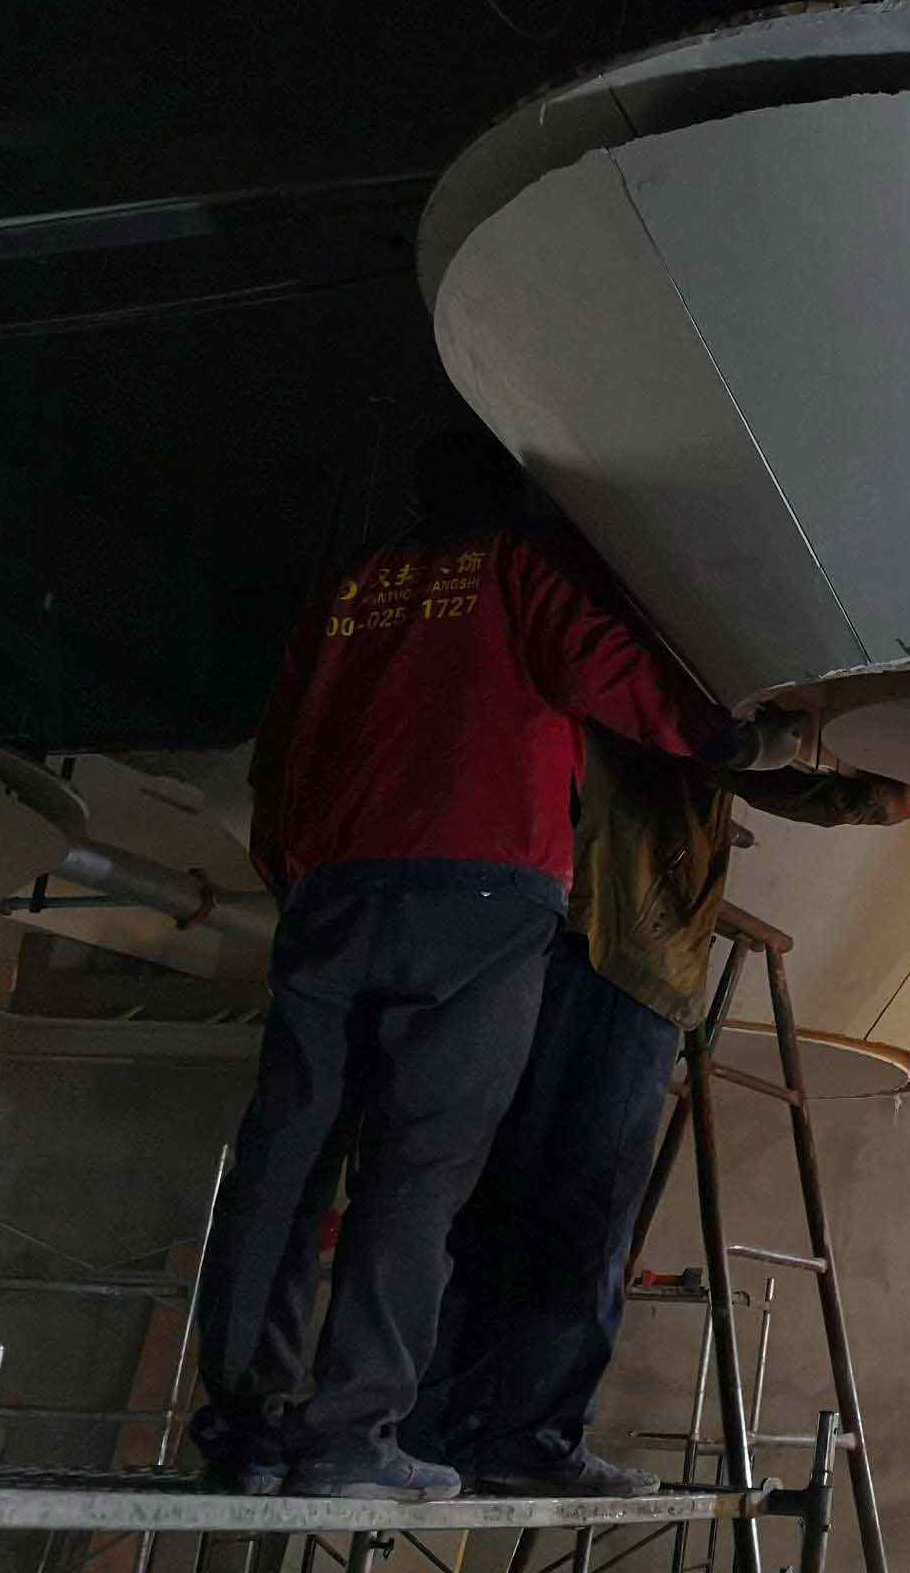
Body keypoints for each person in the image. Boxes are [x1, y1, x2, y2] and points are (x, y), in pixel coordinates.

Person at [192, 429, 804, 1502]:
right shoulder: (525, 564)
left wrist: (299, 873)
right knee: (418, 1170)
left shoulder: (358, 583)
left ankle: (244, 1428)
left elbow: (280, 743)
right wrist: (743, 741)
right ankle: (349, 1433)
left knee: (287, 1155)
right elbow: (605, 671)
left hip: (334, 892)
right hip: (479, 893)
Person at [404, 723, 910, 1494]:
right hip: (621, 940)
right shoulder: (675, 674)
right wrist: (879, 795)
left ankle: (434, 1427)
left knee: (490, 1188)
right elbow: (738, 752)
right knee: (588, 1201)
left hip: (523, 914)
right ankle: (529, 1440)